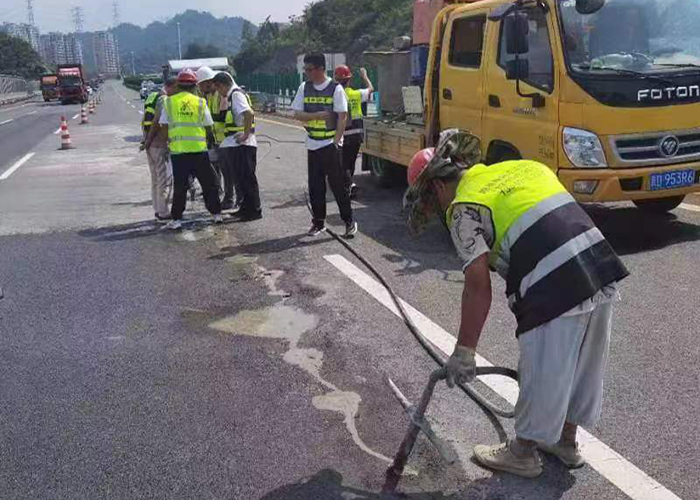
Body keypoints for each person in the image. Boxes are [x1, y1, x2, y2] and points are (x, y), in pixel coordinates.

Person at [404, 130, 629, 478]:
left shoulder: (463, 208)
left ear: (437, 187)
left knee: (543, 364)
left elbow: (477, 286)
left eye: (433, 204)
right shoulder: (518, 168)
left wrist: (464, 352)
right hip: (599, 263)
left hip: (550, 279)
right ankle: (565, 442)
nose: (439, 211)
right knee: (584, 361)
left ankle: (523, 452)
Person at [292, 52, 357, 238]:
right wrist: (315, 116)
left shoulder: (335, 89)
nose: (306, 73)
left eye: (309, 69)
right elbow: (297, 113)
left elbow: (342, 117)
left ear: (321, 69)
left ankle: (349, 221)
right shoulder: (304, 87)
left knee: (337, 186)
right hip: (313, 144)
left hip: (330, 145)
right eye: (305, 69)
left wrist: (336, 142)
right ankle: (318, 223)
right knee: (315, 187)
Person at [159, 69, 223, 230]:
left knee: (180, 186)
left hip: (178, 152)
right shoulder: (200, 102)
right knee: (209, 184)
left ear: (179, 85)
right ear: (195, 85)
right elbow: (209, 126)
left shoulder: (169, 102)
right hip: (199, 151)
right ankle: (216, 214)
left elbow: (164, 127)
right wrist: (211, 142)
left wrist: (166, 145)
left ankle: (177, 219)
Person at [212, 71, 262, 221]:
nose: (219, 94)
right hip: (237, 144)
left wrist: (245, 135)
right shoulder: (233, 95)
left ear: (222, 85)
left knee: (247, 179)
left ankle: (254, 210)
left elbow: (248, 113)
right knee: (241, 179)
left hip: (243, 145)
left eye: (218, 89)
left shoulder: (235, 94)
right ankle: (245, 209)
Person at [333, 65, 374, 199]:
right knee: (351, 162)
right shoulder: (356, 94)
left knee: (342, 164)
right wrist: (365, 76)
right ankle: (349, 186)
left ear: (336, 80)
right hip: (357, 134)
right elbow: (371, 89)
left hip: (344, 135)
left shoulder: (336, 95)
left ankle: (350, 185)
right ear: (349, 80)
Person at [141, 78, 177, 223]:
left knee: (155, 179)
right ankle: (163, 212)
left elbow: (145, 120)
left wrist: (146, 141)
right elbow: (157, 123)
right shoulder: (163, 99)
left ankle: (157, 209)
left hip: (150, 145)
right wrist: (154, 141)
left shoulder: (152, 96)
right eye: (176, 88)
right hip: (158, 144)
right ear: (170, 87)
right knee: (164, 179)